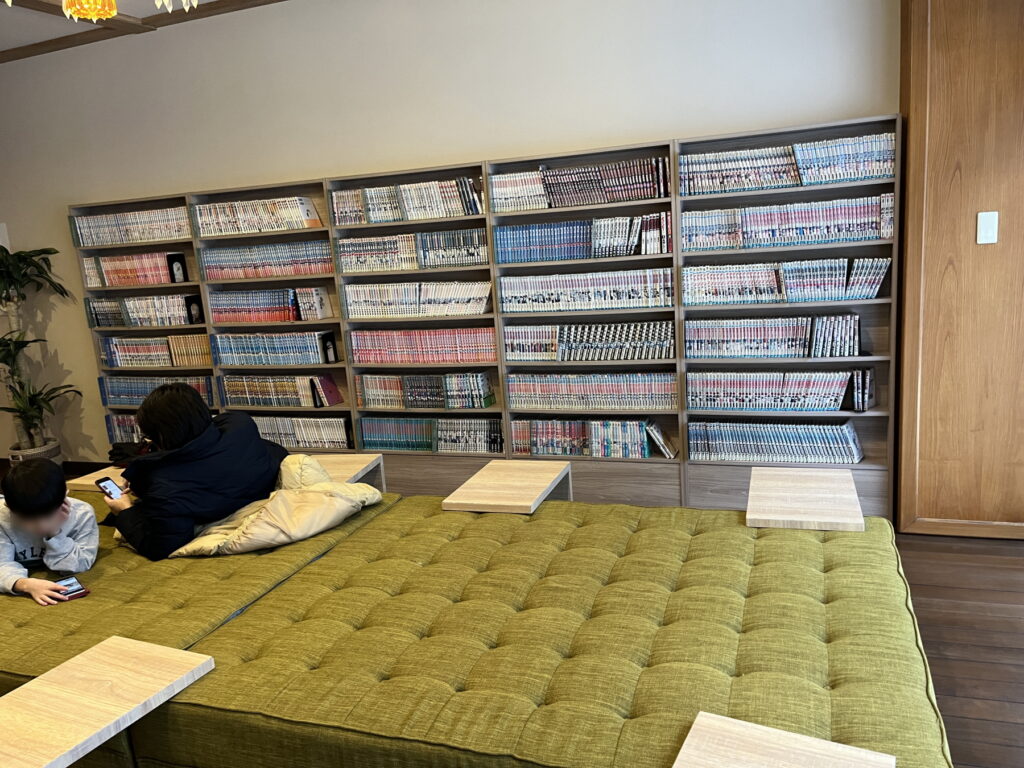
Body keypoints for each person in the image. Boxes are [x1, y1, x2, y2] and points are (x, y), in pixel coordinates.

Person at [101, 383, 287, 560]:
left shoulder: (167, 486)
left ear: (162, 436)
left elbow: (161, 547)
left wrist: (124, 511)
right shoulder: (240, 424)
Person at [0, 459, 99, 605]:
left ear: (65, 496)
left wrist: (54, 532)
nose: (40, 526)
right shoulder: (2, 518)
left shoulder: (82, 514)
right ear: (8, 506)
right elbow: (2, 563)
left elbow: (79, 564)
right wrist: (25, 584)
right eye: (27, 518)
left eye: (48, 515)